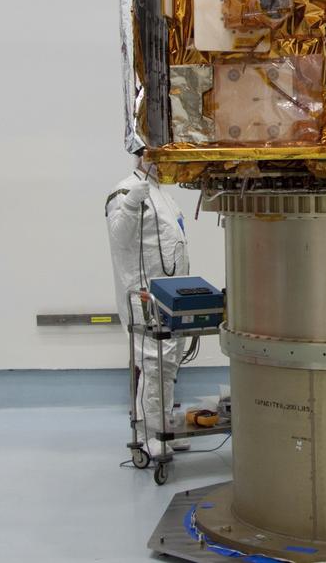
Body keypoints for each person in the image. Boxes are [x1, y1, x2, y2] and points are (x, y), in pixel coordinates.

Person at [105, 152, 190, 459]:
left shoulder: (163, 194)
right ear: (144, 157)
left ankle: (164, 427)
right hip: (144, 294)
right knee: (153, 364)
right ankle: (147, 435)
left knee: (169, 363)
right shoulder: (126, 190)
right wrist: (130, 204)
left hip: (171, 293)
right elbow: (119, 237)